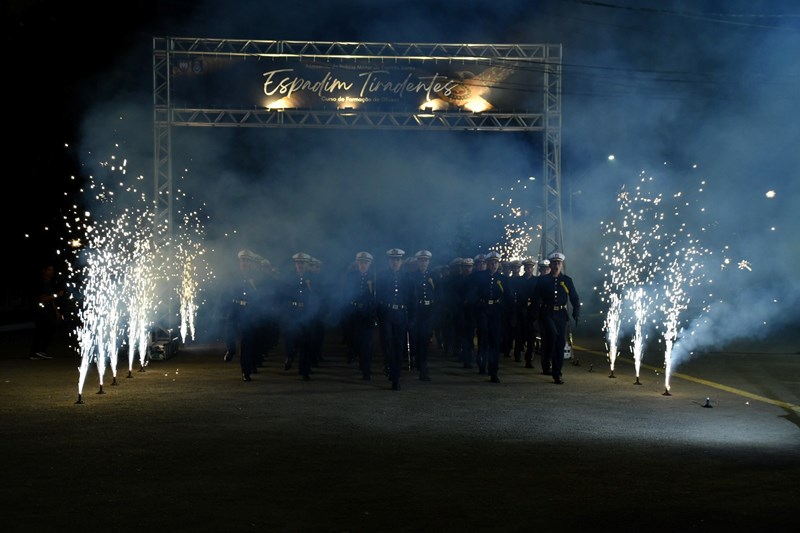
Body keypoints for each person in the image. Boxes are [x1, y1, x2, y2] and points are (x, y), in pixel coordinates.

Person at [531, 252, 580, 385]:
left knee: (559, 343)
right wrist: (534, 315)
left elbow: (574, 297)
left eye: (558, 263)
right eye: (554, 263)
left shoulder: (567, 280)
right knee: (551, 336)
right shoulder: (543, 280)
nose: (556, 265)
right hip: (547, 313)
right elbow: (536, 298)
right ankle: (547, 364)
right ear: (550, 265)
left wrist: (576, 311)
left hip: (561, 314)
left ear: (561, 265)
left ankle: (557, 372)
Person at [375, 248, 413, 391]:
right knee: (387, 344)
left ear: (401, 261)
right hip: (386, 314)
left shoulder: (407, 278)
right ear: (388, 261)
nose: (395, 262)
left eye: (398, 259)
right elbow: (377, 299)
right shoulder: (382, 277)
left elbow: (412, 299)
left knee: (398, 346)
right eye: (392, 260)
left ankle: (396, 378)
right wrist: (377, 316)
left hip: (401, 314)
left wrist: (411, 318)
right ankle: (388, 364)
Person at [222, 249, 263, 381]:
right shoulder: (232, 276)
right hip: (234, 308)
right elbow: (224, 293)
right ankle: (231, 349)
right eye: (242, 260)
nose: (244, 263)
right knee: (230, 328)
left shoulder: (257, 277)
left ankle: (245, 372)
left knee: (246, 342)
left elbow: (262, 296)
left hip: (248, 311)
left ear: (251, 263)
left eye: (247, 261)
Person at [278, 252, 319, 381]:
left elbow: (318, 296)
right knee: (291, 338)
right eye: (298, 263)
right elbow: (283, 296)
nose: (300, 265)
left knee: (306, 342)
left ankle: (304, 370)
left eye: (303, 263)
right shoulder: (289, 278)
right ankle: (289, 356)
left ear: (307, 265)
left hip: (306, 311)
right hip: (292, 311)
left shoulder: (313, 278)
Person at [468, 251, 508, 382]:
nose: (494, 265)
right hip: (482, 309)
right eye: (491, 262)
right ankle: (482, 363)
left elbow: (507, 296)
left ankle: (493, 371)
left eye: (496, 262)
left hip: (496, 311)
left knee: (495, 341)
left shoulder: (502, 279)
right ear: (488, 263)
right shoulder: (480, 277)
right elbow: (473, 294)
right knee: (483, 338)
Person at [340, 251, 377, 380]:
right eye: (361, 262)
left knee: (366, 343)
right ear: (357, 263)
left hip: (366, 314)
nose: (363, 265)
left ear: (370, 264)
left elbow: (375, 297)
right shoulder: (351, 276)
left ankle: (366, 369)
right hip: (353, 312)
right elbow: (345, 293)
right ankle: (354, 356)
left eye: (366, 262)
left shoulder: (374, 277)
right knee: (353, 340)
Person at [408, 250, 436, 381]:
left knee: (424, 340)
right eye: (421, 260)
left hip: (428, 311)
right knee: (415, 339)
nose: (424, 262)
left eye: (426, 260)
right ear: (418, 262)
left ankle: (423, 368)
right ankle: (416, 360)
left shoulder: (433, 276)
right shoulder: (412, 277)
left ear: (429, 262)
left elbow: (438, 294)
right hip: (416, 311)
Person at [30, 262, 66, 360]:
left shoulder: (48, 283)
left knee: (48, 329)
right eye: (49, 270)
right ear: (44, 271)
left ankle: (40, 351)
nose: (52, 272)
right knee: (44, 329)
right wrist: (57, 295)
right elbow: (42, 299)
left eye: (52, 270)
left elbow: (51, 300)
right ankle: (36, 352)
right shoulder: (42, 283)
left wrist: (56, 312)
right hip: (41, 310)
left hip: (48, 310)